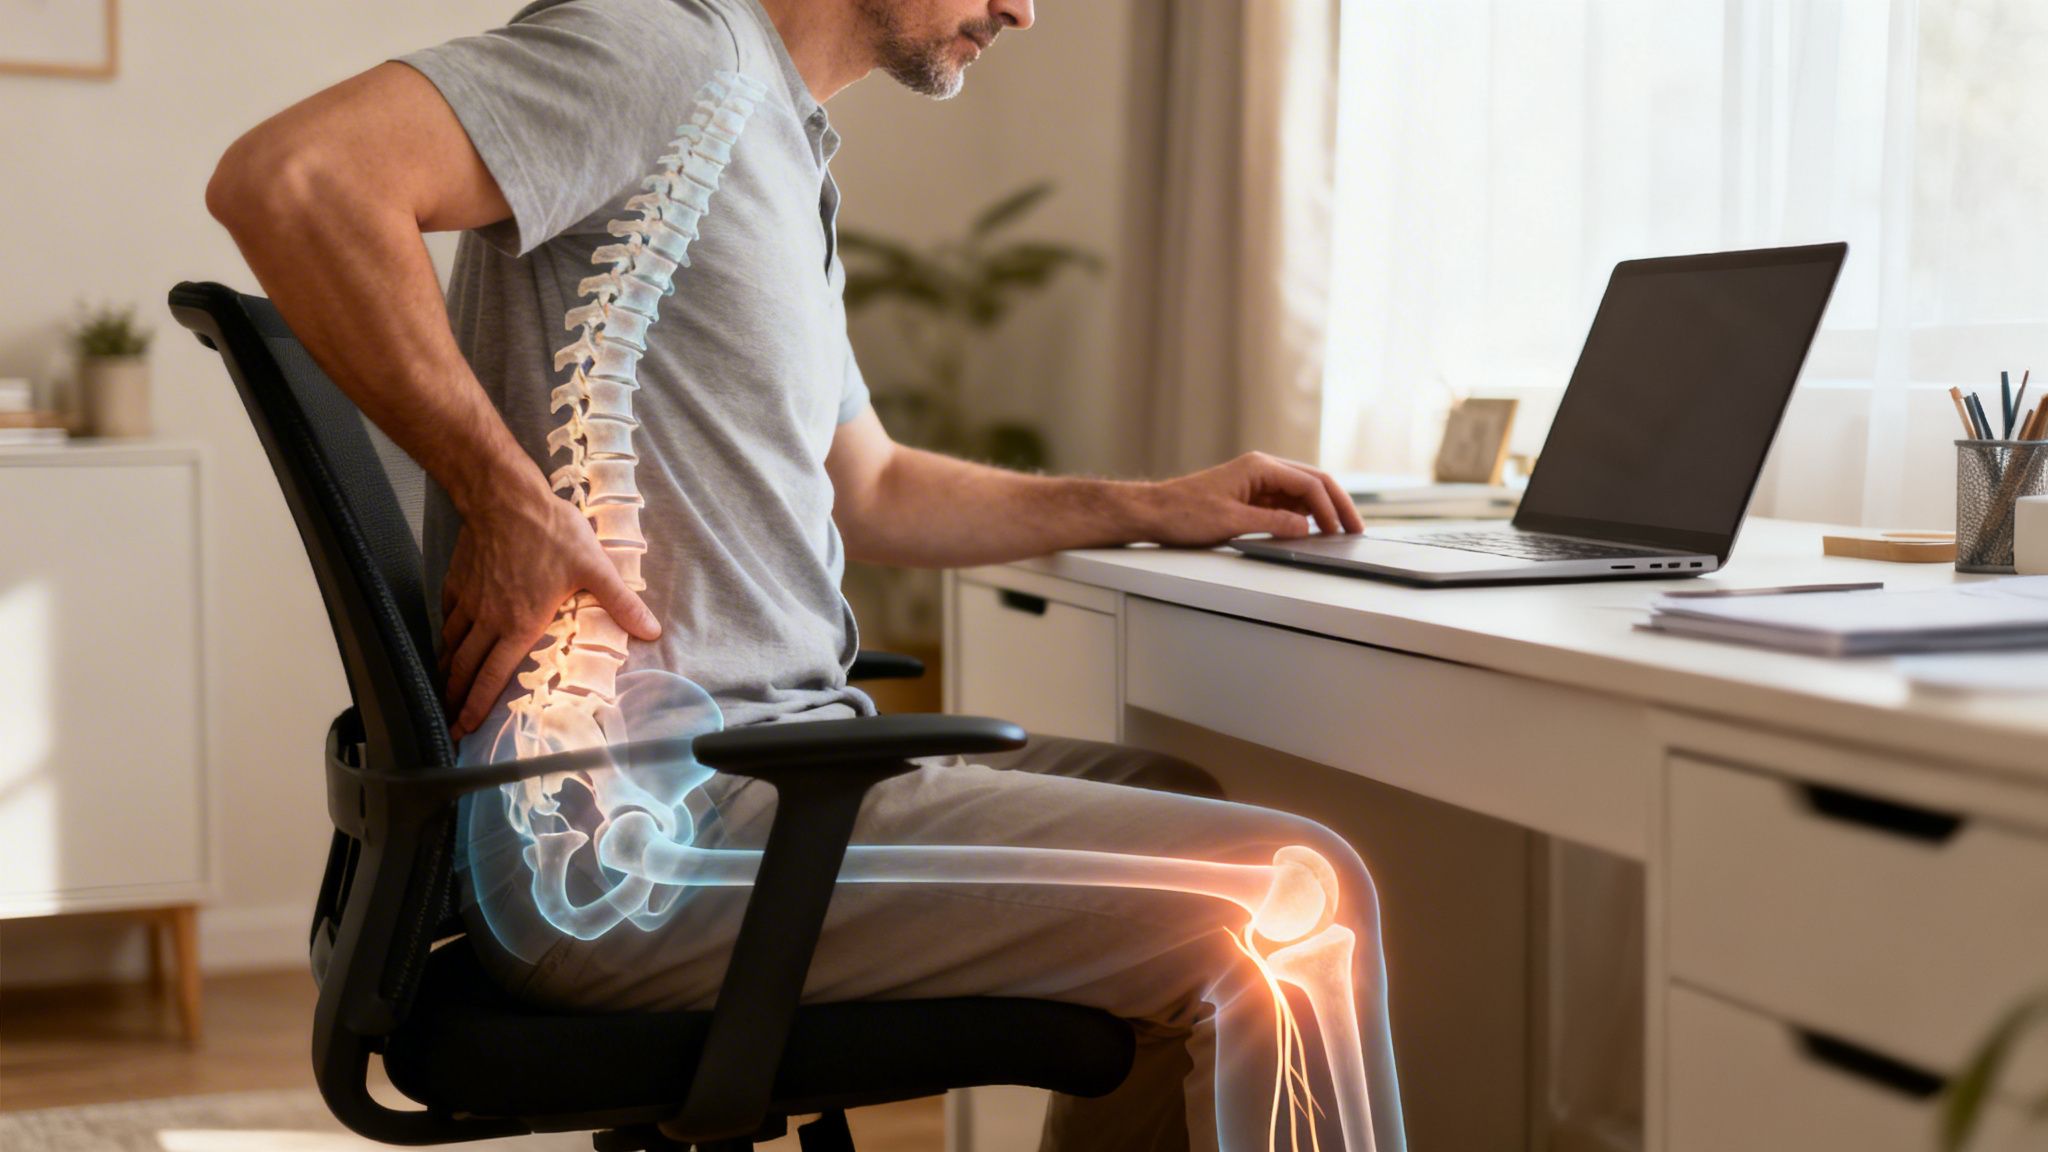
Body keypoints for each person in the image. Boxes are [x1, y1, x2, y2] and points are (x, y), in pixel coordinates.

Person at [206, 3, 1402, 1149]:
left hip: (763, 774)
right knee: (1296, 894)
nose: (1022, 10)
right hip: (634, 844)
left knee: (1173, 793)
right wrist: (505, 497)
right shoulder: (662, 51)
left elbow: (868, 486)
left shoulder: (777, 141)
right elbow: (293, 177)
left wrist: (1148, 506)